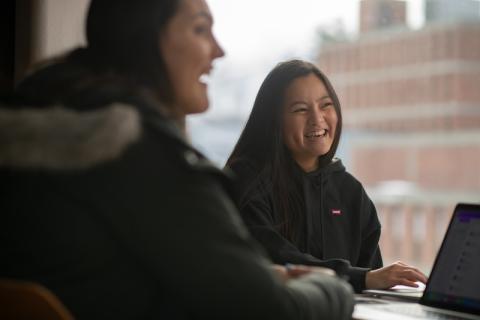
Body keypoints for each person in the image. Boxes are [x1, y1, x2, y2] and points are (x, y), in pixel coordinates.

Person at [0, 1, 355, 319]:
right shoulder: (141, 157)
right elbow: (271, 310)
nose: (218, 50)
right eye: (200, 29)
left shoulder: (32, 129)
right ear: (147, 39)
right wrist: (335, 288)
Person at [226, 59, 428, 293]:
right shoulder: (245, 181)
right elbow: (275, 258)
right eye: (300, 109)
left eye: (325, 105)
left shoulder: (350, 191)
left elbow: (374, 286)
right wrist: (361, 278)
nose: (317, 119)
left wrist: (374, 280)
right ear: (273, 120)